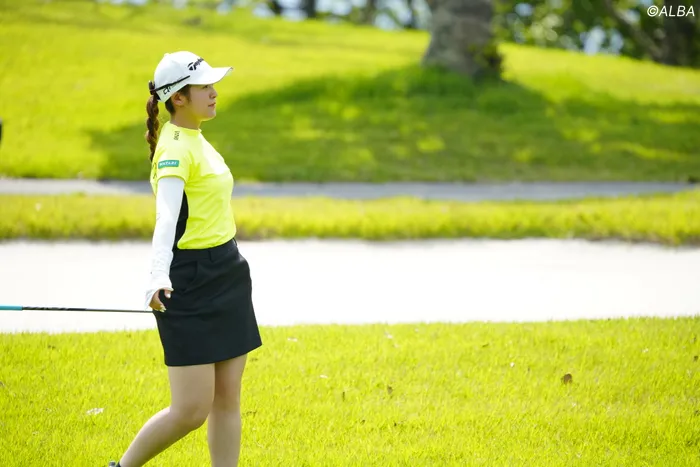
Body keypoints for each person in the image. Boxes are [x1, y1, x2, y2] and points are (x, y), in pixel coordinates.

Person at [109, 51, 263, 467]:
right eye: (204, 87)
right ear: (178, 97)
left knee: (228, 398)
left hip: (228, 271)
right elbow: (166, 218)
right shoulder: (174, 149)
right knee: (191, 409)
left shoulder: (197, 137)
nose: (214, 93)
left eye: (213, 85)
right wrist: (158, 274)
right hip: (189, 280)